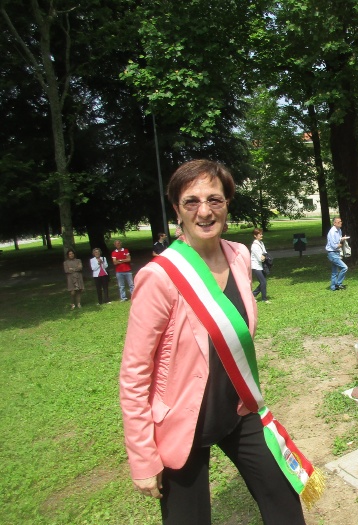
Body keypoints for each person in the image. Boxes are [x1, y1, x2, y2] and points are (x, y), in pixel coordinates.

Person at [119, 159, 306, 525]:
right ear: (177, 210)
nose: (204, 211)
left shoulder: (238, 255)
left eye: (214, 200)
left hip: (239, 409)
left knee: (284, 499)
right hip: (181, 424)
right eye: (191, 201)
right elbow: (134, 373)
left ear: (227, 204)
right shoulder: (159, 277)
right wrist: (142, 457)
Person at [325, 217, 349, 291]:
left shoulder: (339, 230)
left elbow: (338, 240)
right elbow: (334, 246)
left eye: (341, 221)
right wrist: (341, 243)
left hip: (336, 252)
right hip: (332, 253)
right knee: (345, 268)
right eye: (338, 222)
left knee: (334, 272)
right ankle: (338, 284)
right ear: (334, 223)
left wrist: (342, 239)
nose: (340, 223)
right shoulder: (332, 232)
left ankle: (333, 287)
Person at [250, 228, 269, 302]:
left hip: (262, 266)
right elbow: (260, 258)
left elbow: (265, 252)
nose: (261, 235)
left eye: (261, 234)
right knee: (263, 282)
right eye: (260, 234)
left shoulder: (261, 243)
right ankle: (264, 299)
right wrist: (263, 256)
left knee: (263, 282)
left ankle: (253, 295)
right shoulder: (254, 246)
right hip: (256, 266)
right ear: (255, 236)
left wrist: (264, 255)